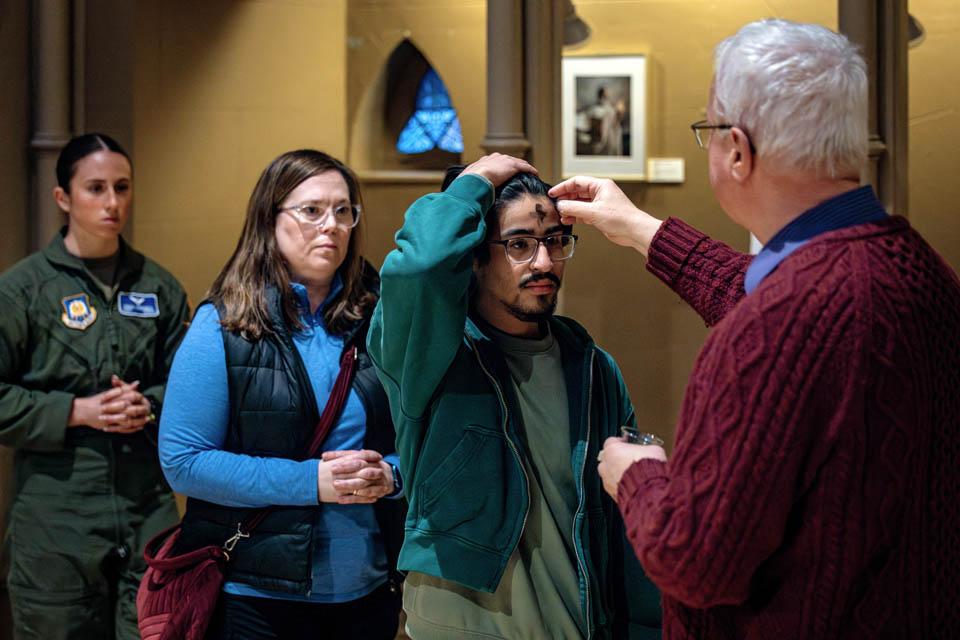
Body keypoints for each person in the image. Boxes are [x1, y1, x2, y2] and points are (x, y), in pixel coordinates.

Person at [550, 19, 960, 639]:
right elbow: (774, 295)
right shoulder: (917, 269)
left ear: (737, 150)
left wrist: (636, 473)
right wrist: (637, 226)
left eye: (708, 131)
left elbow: (692, 561)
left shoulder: (783, 321)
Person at [368, 153, 662, 639]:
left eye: (554, 242)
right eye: (519, 245)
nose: (543, 262)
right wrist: (474, 182)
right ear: (475, 257)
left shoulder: (592, 367)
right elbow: (419, 267)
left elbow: (622, 527)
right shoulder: (432, 356)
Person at [158, 149, 405, 639]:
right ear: (269, 219)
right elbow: (183, 460)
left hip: (369, 588)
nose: (330, 225)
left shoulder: (382, 317)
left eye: (343, 210)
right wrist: (312, 482)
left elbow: (428, 439)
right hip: (256, 596)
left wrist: (392, 475)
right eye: (311, 210)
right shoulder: (223, 323)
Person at [0, 133, 190, 639]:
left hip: (146, 504)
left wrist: (148, 406)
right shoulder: (23, 290)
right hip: (56, 512)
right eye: (96, 188)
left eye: (122, 187)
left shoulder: (159, 287)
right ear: (63, 198)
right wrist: (75, 412)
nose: (112, 202)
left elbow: (190, 384)